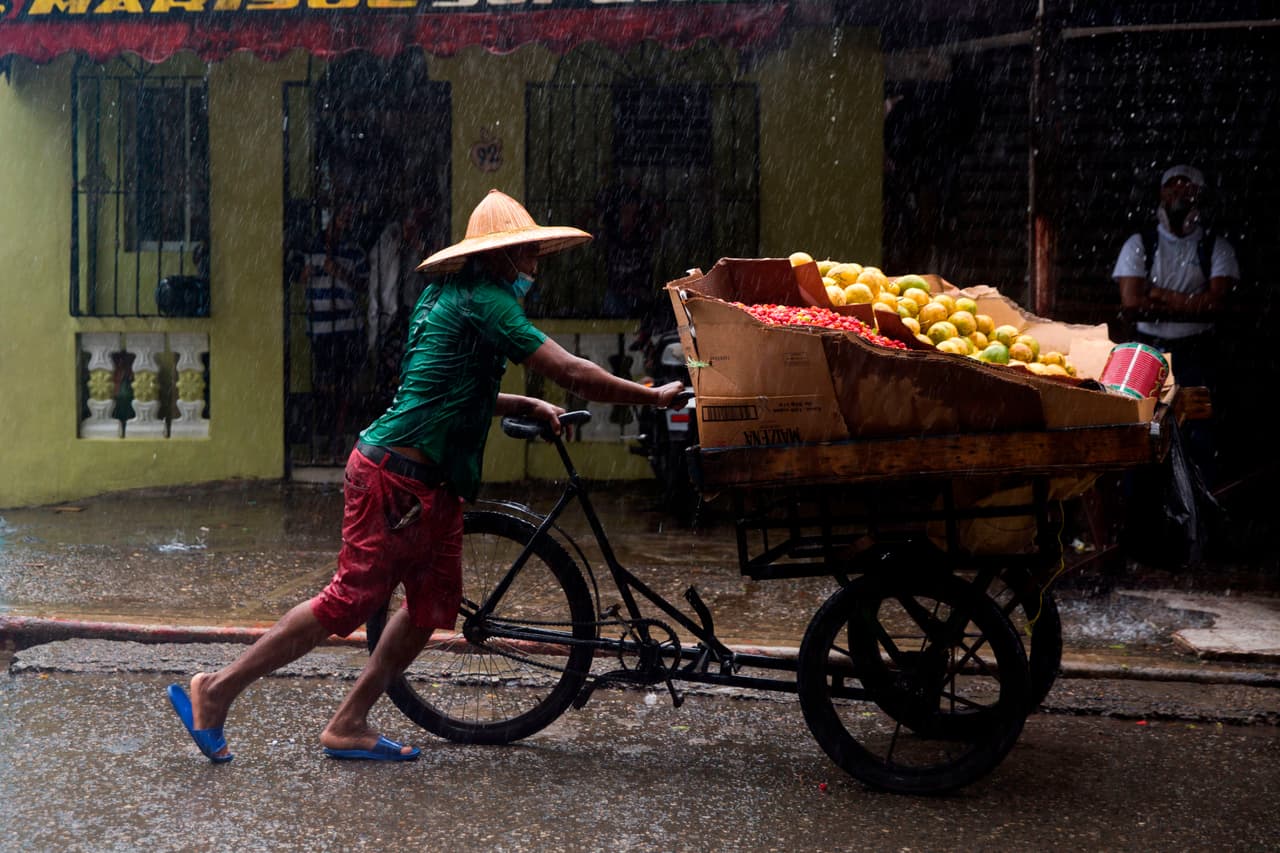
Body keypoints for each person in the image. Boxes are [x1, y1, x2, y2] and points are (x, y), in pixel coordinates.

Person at [167, 189, 686, 763]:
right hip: (396, 478)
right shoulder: (487, 301)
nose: (535, 266)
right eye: (528, 254)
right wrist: (652, 396)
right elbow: (570, 371)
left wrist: (523, 404)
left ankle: (349, 721)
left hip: (431, 483)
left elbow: (447, 389)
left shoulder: (444, 295)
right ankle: (216, 690)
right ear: (500, 256)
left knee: (432, 605)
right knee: (347, 602)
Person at [1112, 163, 1239, 485]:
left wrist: (1160, 294)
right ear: (1161, 193)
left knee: (1198, 431)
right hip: (1148, 349)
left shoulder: (1215, 246)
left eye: (1187, 187)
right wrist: (1192, 301)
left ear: (1200, 195)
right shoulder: (1140, 243)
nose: (1179, 194)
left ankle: (1199, 501)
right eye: (1173, 186)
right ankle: (1142, 502)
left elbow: (1216, 302)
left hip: (1198, 351)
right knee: (1142, 427)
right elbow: (1131, 301)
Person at [302, 203, 370, 459]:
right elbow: (295, 276)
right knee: (324, 384)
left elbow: (364, 286)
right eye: (340, 217)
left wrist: (339, 272)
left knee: (343, 385)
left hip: (346, 326)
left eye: (347, 218)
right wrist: (304, 274)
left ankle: (338, 437)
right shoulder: (310, 248)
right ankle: (326, 435)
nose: (343, 223)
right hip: (319, 327)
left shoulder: (355, 251)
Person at [367, 206, 430, 406]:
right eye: (410, 226)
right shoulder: (386, 243)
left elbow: (426, 277)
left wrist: (419, 248)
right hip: (388, 316)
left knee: (409, 366)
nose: (413, 231)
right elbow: (378, 285)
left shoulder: (418, 247)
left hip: (410, 314)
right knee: (389, 369)